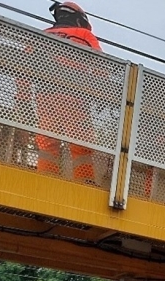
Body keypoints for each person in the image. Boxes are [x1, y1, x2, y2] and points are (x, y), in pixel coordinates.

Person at [35, 2, 102, 184]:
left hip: (44, 96)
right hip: (74, 95)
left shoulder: (43, 35)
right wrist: (102, 93)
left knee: (48, 140)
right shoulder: (84, 35)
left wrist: (22, 98)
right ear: (80, 19)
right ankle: (84, 182)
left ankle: (46, 178)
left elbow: (24, 63)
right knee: (81, 142)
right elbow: (101, 65)